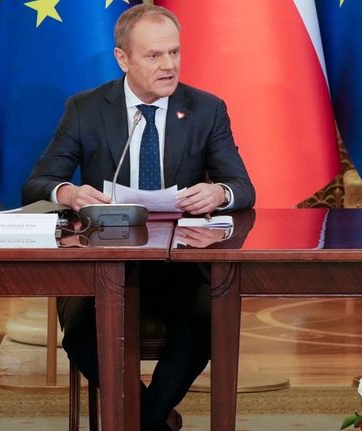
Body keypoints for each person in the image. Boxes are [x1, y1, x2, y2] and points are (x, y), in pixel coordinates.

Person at [22, 5, 255, 431]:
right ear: (123, 58)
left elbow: (242, 187)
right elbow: (38, 183)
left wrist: (218, 191)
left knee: (204, 325)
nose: (169, 65)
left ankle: (145, 422)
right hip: (103, 265)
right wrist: (68, 192)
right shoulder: (87, 109)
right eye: (154, 56)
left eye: (175, 53)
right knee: (82, 338)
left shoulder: (206, 109)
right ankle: (157, 420)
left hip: (178, 265)